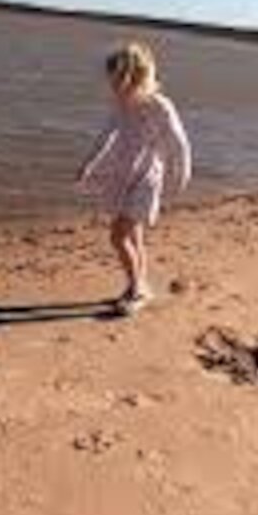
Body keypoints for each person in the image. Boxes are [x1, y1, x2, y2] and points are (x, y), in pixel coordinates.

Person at [76, 42, 192, 315]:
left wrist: (181, 175)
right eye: (112, 82)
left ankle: (137, 288)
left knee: (118, 236)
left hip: (146, 180)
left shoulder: (160, 106)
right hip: (122, 176)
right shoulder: (121, 104)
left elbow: (179, 144)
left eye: (117, 81)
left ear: (136, 77)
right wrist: (88, 164)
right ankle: (140, 286)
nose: (113, 88)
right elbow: (107, 135)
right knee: (135, 236)